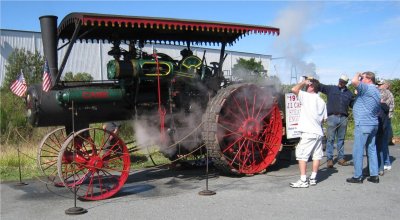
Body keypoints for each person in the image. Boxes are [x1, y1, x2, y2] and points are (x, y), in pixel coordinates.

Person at [289, 77, 327, 188]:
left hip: (308, 132)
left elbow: (294, 89)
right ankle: (313, 178)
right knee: (316, 156)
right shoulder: (321, 101)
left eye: (307, 86)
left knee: (301, 156)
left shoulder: (307, 96)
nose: (306, 87)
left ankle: (303, 180)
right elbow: (325, 119)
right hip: (318, 132)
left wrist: (303, 82)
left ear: (311, 87)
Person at [346, 71, 381, 184]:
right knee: (371, 149)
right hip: (373, 123)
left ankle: (357, 176)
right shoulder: (376, 90)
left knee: (358, 150)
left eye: (363, 78)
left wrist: (357, 74)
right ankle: (374, 175)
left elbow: (354, 81)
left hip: (363, 124)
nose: (361, 80)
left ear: (369, 79)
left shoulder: (367, 88)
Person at [319, 74, 354, 168]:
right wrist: (313, 80)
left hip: (343, 118)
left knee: (341, 139)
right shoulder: (331, 89)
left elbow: (353, 104)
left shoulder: (349, 94)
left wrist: (358, 97)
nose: (340, 82)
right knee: (330, 139)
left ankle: (341, 158)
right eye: (340, 80)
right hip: (332, 117)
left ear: (346, 83)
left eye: (342, 82)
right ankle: (329, 159)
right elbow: (320, 86)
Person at [377, 80, 394, 170]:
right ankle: (386, 162)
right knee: (384, 141)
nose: (378, 86)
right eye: (378, 84)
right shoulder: (387, 92)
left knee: (382, 141)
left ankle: (385, 162)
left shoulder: (385, 93)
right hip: (386, 119)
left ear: (385, 85)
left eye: (380, 84)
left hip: (385, 119)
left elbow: (380, 103)